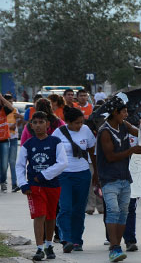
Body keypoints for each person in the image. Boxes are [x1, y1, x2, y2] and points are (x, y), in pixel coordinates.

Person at [95, 97, 141, 262]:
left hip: (124, 177)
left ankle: (117, 246)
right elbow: (110, 156)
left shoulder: (124, 125)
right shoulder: (105, 132)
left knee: (124, 212)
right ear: (115, 113)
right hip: (109, 179)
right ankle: (114, 247)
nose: (126, 114)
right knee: (114, 211)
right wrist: (132, 151)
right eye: (123, 111)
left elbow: (138, 132)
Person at [15, 111, 68, 261]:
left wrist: (45, 174)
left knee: (51, 216)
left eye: (41, 122)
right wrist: (23, 183)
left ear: (47, 124)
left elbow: (63, 162)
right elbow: (19, 166)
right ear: (31, 125)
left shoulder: (55, 142)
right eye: (35, 123)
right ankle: (39, 248)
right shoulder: (27, 144)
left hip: (52, 184)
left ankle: (48, 244)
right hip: (34, 186)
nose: (38, 125)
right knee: (39, 215)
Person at [52, 107, 97, 253]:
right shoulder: (58, 133)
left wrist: (96, 172)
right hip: (64, 175)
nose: (79, 125)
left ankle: (77, 240)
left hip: (83, 174)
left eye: (81, 122)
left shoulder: (86, 130)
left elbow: (92, 151)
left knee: (79, 209)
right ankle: (66, 239)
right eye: (76, 123)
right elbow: (52, 154)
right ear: (68, 122)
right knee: (65, 208)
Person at [0, 93, 16, 193]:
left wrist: (1, 97)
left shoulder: (4, 110)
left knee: (4, 165)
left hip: (4, 141)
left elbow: (11, 108)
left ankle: (3, 181)